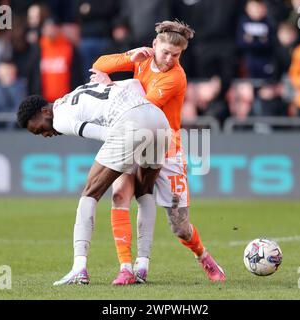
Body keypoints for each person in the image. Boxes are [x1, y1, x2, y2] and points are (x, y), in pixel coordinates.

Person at [91, 20, 226, 285]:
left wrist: (109, 86)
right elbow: (100, 64)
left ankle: (203, 256)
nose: (169, 59)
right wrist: (129, 56)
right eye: (165, 53)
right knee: (120, 193)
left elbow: (143, 107)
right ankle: (126, 268)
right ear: (154, 45)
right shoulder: (142, 60)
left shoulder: (176, 77)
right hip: (133, 139)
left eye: (176, 55)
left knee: (179, 225)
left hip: (167, 146)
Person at [16, 79, 171, 285]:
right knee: (144, 190)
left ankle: (79, 268)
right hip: (158, 118)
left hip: (130, 122)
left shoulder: (60, 119)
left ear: (45, 111)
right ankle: (142, 266)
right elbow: (133, 83)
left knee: (90, 192)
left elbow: (106, 134)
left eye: (39, 129)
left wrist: (129, 149)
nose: (45, 134)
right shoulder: (72, 95)